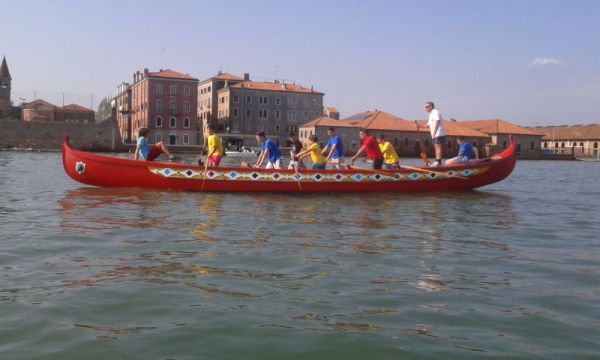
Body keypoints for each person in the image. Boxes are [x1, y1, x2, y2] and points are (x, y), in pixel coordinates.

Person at [418, 101, 446, 167]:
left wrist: (435, 132)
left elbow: (438, 121)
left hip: (438, 133)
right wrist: (419, 126)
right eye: (425, 107)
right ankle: (438, 161)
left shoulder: (435, 112)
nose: (426, 108)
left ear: (431, 106)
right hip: (435, 134)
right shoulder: (430, 114)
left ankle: (438, 162)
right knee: (436, 147)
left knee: (438, 147)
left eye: (427, 106)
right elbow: (428, 124)